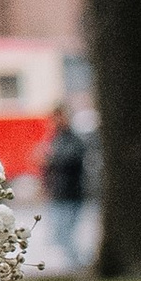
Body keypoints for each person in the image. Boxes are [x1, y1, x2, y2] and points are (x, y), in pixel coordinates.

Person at [40, 105, 90, 268]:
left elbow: (70, 159)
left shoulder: (73, 139)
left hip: (70, 193)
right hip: (58, 193)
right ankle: (76, 263)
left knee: (66, 233)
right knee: (60, 234)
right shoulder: (56, 139)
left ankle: (77, 264)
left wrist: (50, 159)